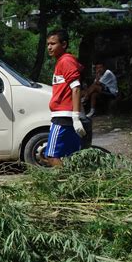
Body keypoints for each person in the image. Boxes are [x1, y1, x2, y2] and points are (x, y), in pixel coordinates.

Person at [44, 29, 86, 167]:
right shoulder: (63, 61)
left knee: (51, 156)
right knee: (70, 157)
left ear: (64, 44)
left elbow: (76, 87)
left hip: (63, 116)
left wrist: (75, 117)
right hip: (65, 115)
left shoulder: (66, 61)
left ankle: (65, 183)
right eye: (48, 44)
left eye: (53, 43)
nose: (49, 47)